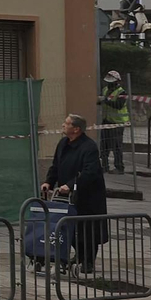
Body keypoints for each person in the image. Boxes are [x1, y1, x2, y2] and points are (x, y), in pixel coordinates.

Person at [42, 113, 108, 274]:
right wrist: (49, 182)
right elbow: (56, 165)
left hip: (88, 196)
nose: (63, 125)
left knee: (88, 229)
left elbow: (90, 172)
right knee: (69, 227)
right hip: (68, 196)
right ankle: (79, 255)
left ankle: (88, 261)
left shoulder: (89, 147)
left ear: (76, 129)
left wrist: (71, 185)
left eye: (67, 123)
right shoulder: (63, 143)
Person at [99, 70, 129, 173]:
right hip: (107, 121)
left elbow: (118, 105)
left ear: (117, 82)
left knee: (116, 146)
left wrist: (105, 101)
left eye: (111, 82)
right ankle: (104, 166)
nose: (109, 84)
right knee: (104, 145)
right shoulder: (105, 90)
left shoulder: (121, 92)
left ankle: (119, 167)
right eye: (108, 82)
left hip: (118, 123)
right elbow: (101, 101)